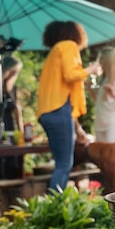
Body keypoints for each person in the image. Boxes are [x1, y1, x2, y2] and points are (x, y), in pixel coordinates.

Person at [37, 21, 100, 192]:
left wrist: (78, 128)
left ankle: (54, 204)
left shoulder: (53, 52)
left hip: (47, 112)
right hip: (58, 110)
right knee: (64, 164)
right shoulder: (68, 46)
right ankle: (55, 207)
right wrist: (91, 69)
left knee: (61, 163)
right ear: (76, 34)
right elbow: (71, 75)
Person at [87, 46, 115, 142]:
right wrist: (89, 88)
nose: (100, 63)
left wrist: (112, 94)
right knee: (100, 156)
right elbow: (98, 101)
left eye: (102, 59)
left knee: (111, 154)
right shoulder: (102, 79)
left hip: (114, 124)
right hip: (100, 123)